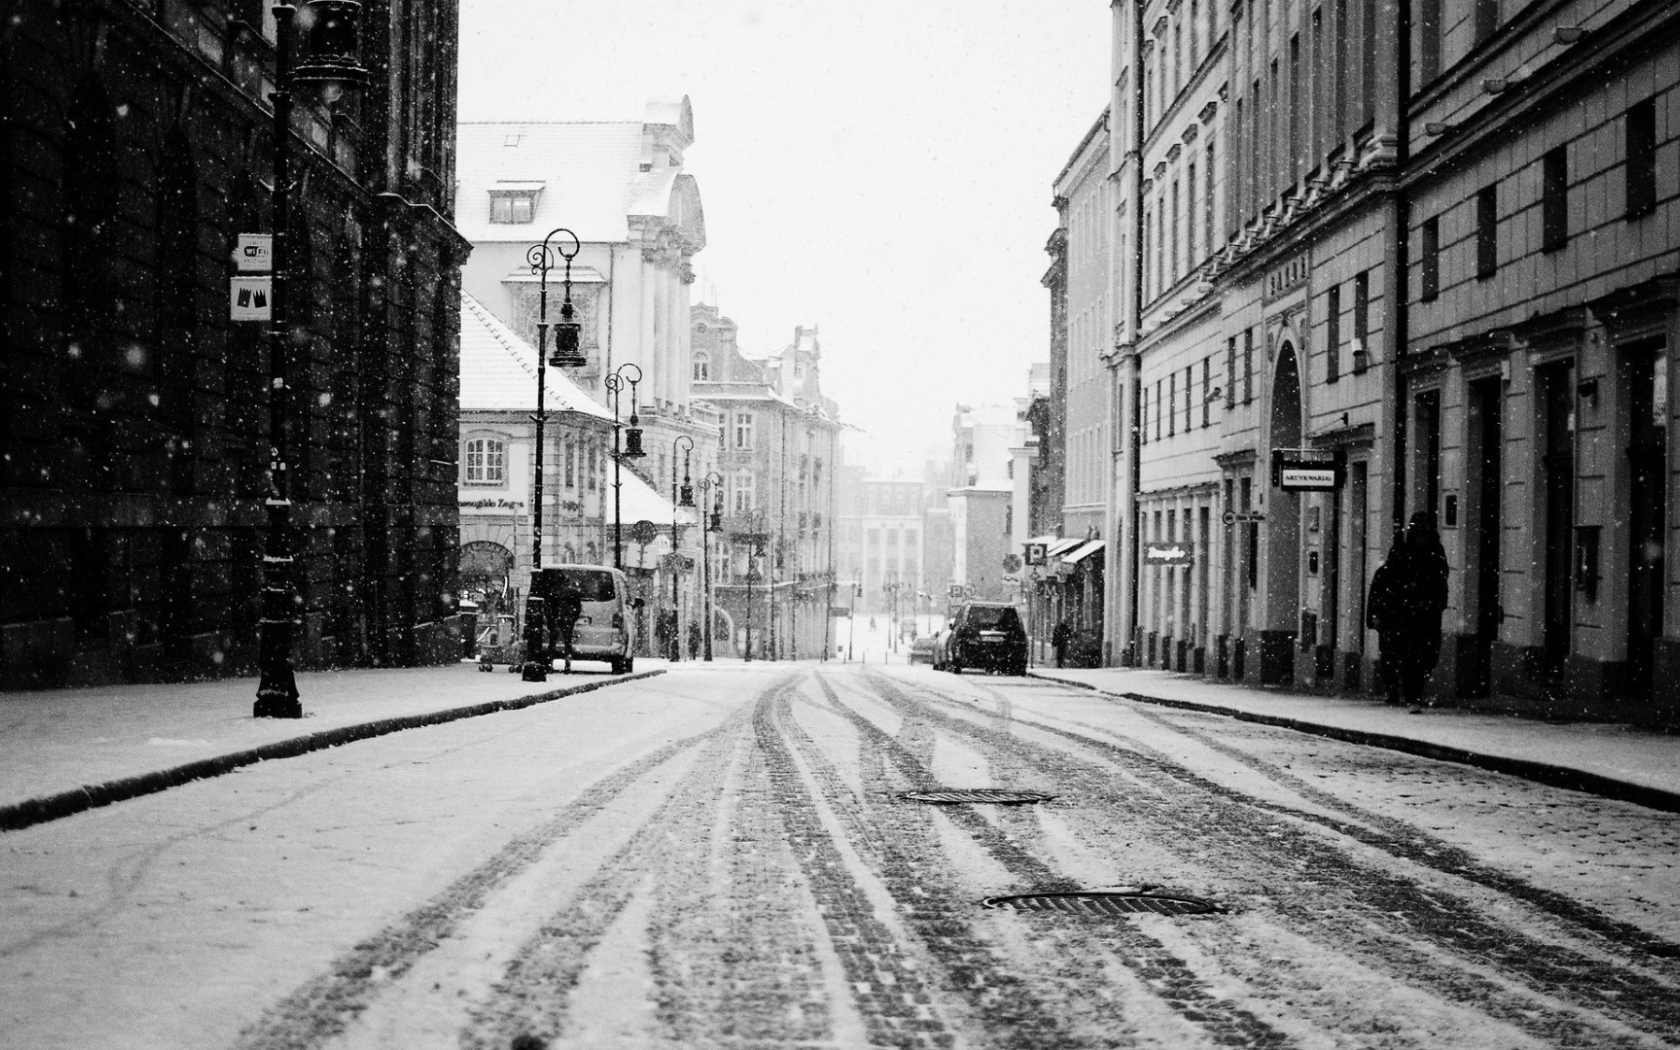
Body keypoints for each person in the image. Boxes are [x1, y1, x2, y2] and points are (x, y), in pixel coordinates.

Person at [1365, 542, 1406, 704]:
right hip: (1399, 622)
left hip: (1389, 622)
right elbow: (1375, 596)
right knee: (1399, 657)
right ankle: (1400, 690)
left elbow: (1374, 597)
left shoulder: (1383, 573)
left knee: (1389, 658)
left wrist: (1374, 616)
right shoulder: (1404, 574)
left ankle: (1393, 690)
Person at [554, 577, 583, 674]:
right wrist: (573, 617)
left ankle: (549, 661)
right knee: (567, 641)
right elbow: (578, 607)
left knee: (553, 640)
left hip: (560, 618)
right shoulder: (574, 593)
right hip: (568, 619)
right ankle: (567, 663)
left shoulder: (558, 592)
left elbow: (553, 605)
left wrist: (555, 616)